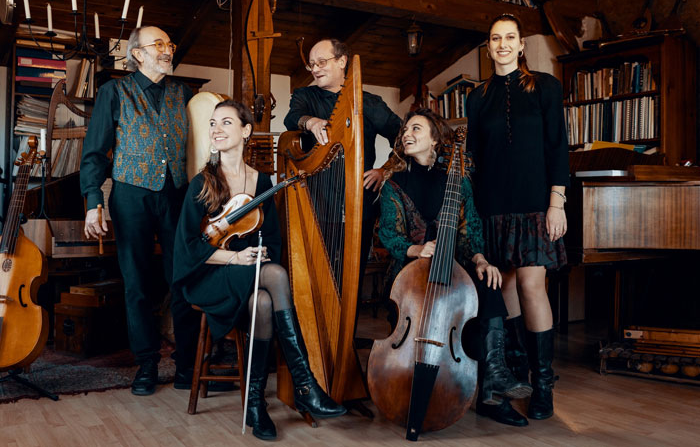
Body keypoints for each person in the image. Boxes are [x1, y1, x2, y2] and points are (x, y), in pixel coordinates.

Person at [173, 100, 346, 441]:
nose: (216, 129)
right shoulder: (202, 183)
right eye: (213, 123)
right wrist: (235, 259)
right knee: (276, 276)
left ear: (246, 131)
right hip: (208, 276)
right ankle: (305, 385)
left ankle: (256, 406)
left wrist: (261, 252)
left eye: (226, 122)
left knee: (265, 301)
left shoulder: (262, 181)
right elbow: (186, 249)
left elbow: (274, 239)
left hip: (250, 275)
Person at [377, 108, 532, 422]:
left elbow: (469, 231)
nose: (407, 134)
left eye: (416, 129)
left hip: (452, 269)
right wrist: (416, 249)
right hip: (410, 276)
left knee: (488, 281)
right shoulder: (394, 184)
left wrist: (480, 260)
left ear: (435, 140)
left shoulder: (457, 182)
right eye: (405, 130)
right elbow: (389, 235)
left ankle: (493, 383)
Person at [81, 26, 200, 396]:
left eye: (170, 44)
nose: (167, 49)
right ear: (137, 53)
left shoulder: (186, 94)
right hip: (131, 196)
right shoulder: (114, 92)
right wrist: (93, 202)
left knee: (183, 279)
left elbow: (200, 149)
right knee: (137, 283)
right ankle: (146, 363)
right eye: (158, 44)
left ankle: (187, 363)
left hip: (177, 196)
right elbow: (94, 152)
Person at [466, 14, 570, 424]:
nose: (503, 44)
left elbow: (558, 147)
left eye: (510, 37)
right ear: (488, 46)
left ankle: (543, 385)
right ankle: (513, 377)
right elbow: (474, 156)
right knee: (504, 284)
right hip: (492, 206)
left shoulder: (545, 86)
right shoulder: (477, 97)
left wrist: (557, 202)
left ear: (522, 44)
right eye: (496, 38)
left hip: (534, 204)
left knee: (530, 284)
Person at [283, 38, 402, 319]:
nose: (315, 69)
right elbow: (292, 117)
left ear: (342, 61)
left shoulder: (369, 103)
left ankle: (346, 334)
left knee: (352, 276)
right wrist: (311, 122)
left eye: (321, 62)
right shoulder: (305, 96)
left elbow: (402, 136)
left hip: (359, 203)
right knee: (315, 274)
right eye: (311, 64)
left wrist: (385, 170)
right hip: (316, 202)